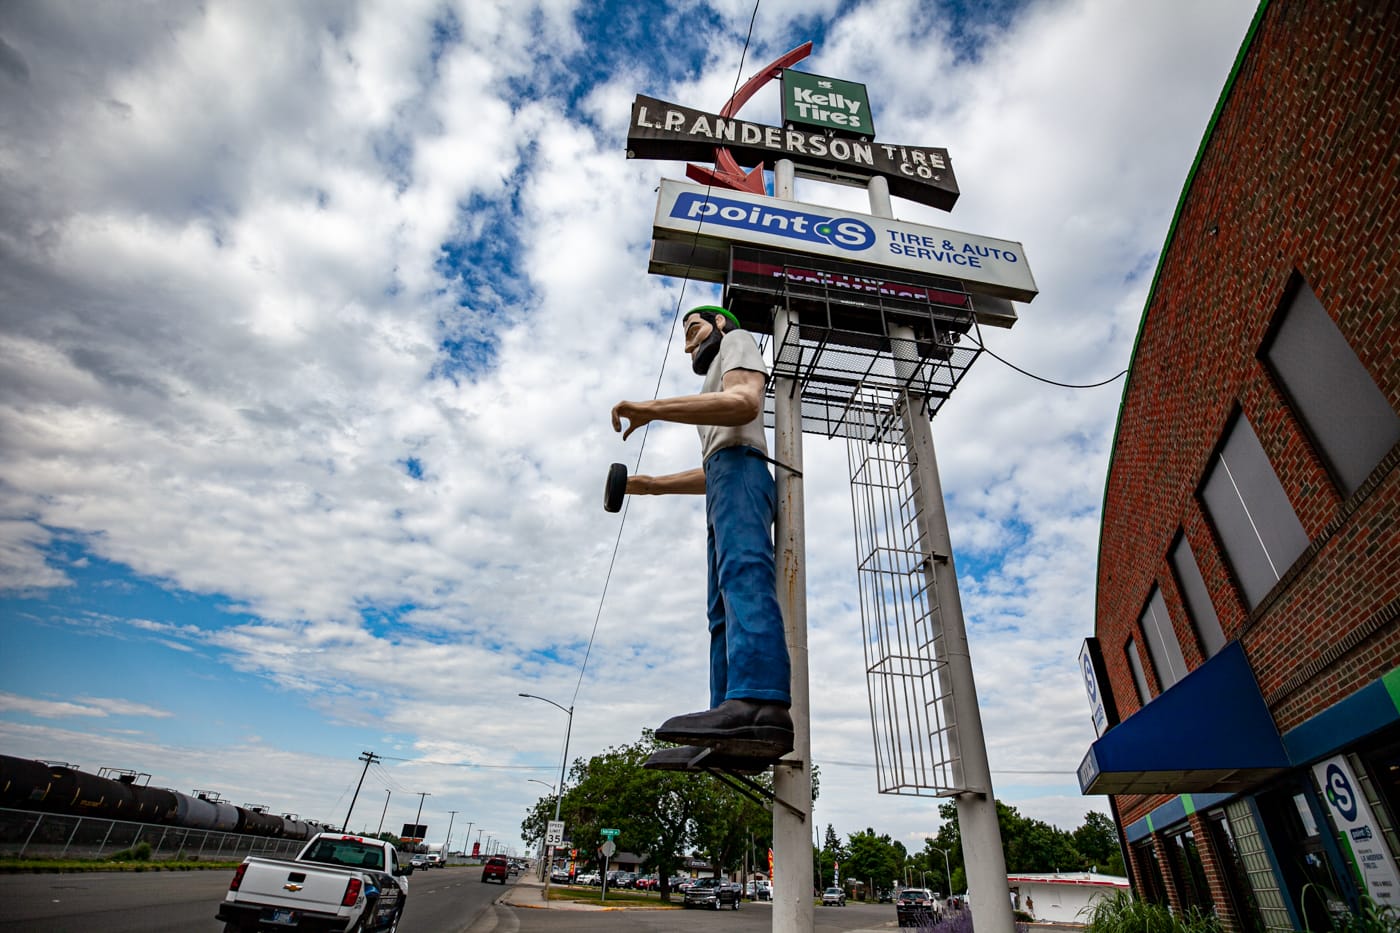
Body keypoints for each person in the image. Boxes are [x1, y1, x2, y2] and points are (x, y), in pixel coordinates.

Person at [611, 305, 793, 768]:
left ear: (721, 324)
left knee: (744, 575)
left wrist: (652, 409)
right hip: (723, 476)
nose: (688, 342)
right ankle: (726, 713)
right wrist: (650, 485)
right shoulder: (710, 375)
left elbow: (745, 404)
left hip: (744, 474)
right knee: (718, 609)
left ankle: (760, 702)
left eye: (693, 329)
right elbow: (717, 456)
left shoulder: (737, 342)